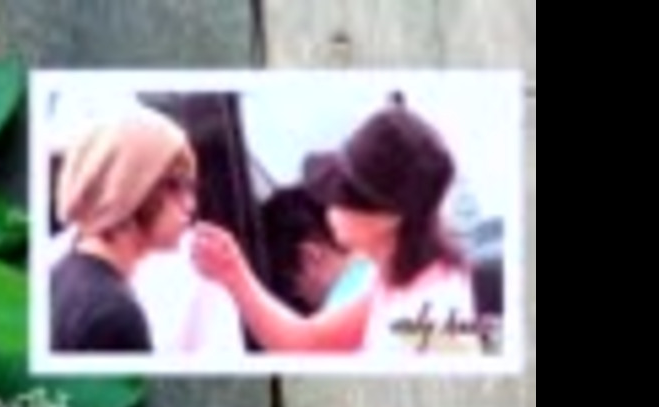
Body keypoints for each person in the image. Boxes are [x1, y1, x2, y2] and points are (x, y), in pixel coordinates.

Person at [192, 93, 480, 354]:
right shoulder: (395, 278)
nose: (328, 205)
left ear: (388, 217)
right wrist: (234, 273)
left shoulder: (430, 315)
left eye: (342, 193)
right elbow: (306, 341)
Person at [52, 107, 199, 352]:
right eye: (174, 186)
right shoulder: (112, 316)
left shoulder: (62, 277)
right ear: (128, 189)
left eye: (190, 187)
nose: (190, 205)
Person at [259, 182, 375, 315]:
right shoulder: (386, 267)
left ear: (309, 257)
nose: (300, 299)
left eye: (293, 287)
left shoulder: (339, 315)